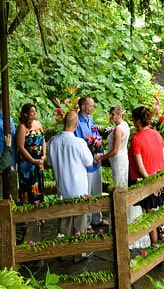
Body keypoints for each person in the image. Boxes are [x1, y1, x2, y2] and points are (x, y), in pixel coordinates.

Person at [95, 105, 149, 248]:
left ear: (120, 114)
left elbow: (115, 150)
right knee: (122, 188)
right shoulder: (124, 125)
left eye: (113, 114)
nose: (110, 117)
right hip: (122, 160)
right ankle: (127, 227)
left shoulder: (119, 129)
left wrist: (101, 157)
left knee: (119, 190)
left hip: (119, 161)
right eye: (110, 114)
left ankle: (123, 229)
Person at [46, 110, 94, 237]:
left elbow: (49, 162)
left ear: (63, 122)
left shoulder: (52, 141)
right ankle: (79, 248)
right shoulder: (79, 143)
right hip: (79, 189)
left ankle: (63, 247)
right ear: (76, 124)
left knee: (64, 223)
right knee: (80, 224)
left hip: (62, 188)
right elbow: (90, 163)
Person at [129, 105, 164, 244]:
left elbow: (140, 166)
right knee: (161, 214)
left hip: (147, 181)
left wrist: (150, 182)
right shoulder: (157, 134)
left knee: (150, 216)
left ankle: (155, 246)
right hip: (159, 178)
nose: (133, 122)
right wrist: (163, 180)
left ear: (138, 121)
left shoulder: (136, 139)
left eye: (133, 120)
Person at [74, 95, 104, 229]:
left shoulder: (91, 119)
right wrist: (91, 157)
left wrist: (100, 154)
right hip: (86, 163)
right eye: (90, 106)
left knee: (97, 191)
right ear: (83, 107)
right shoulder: (77, 122)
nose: (92, 108)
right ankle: (86, 223)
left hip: (97, 160)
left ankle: (97, 219)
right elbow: (80, 143)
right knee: (87, 192)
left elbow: (96, 136)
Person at [15, 103, 46, 204]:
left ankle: (40, 208)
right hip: (27, 162)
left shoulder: (38, 124)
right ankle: (27, 210)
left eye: (35, 111)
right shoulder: (22, 127)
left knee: (39, 185)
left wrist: (44, 154)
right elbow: (20, 146)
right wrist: (32, 160)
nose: (35, 113)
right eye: (32, 112)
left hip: (39, 161)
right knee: (28, 188)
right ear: (25, 114)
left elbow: (43, 141)